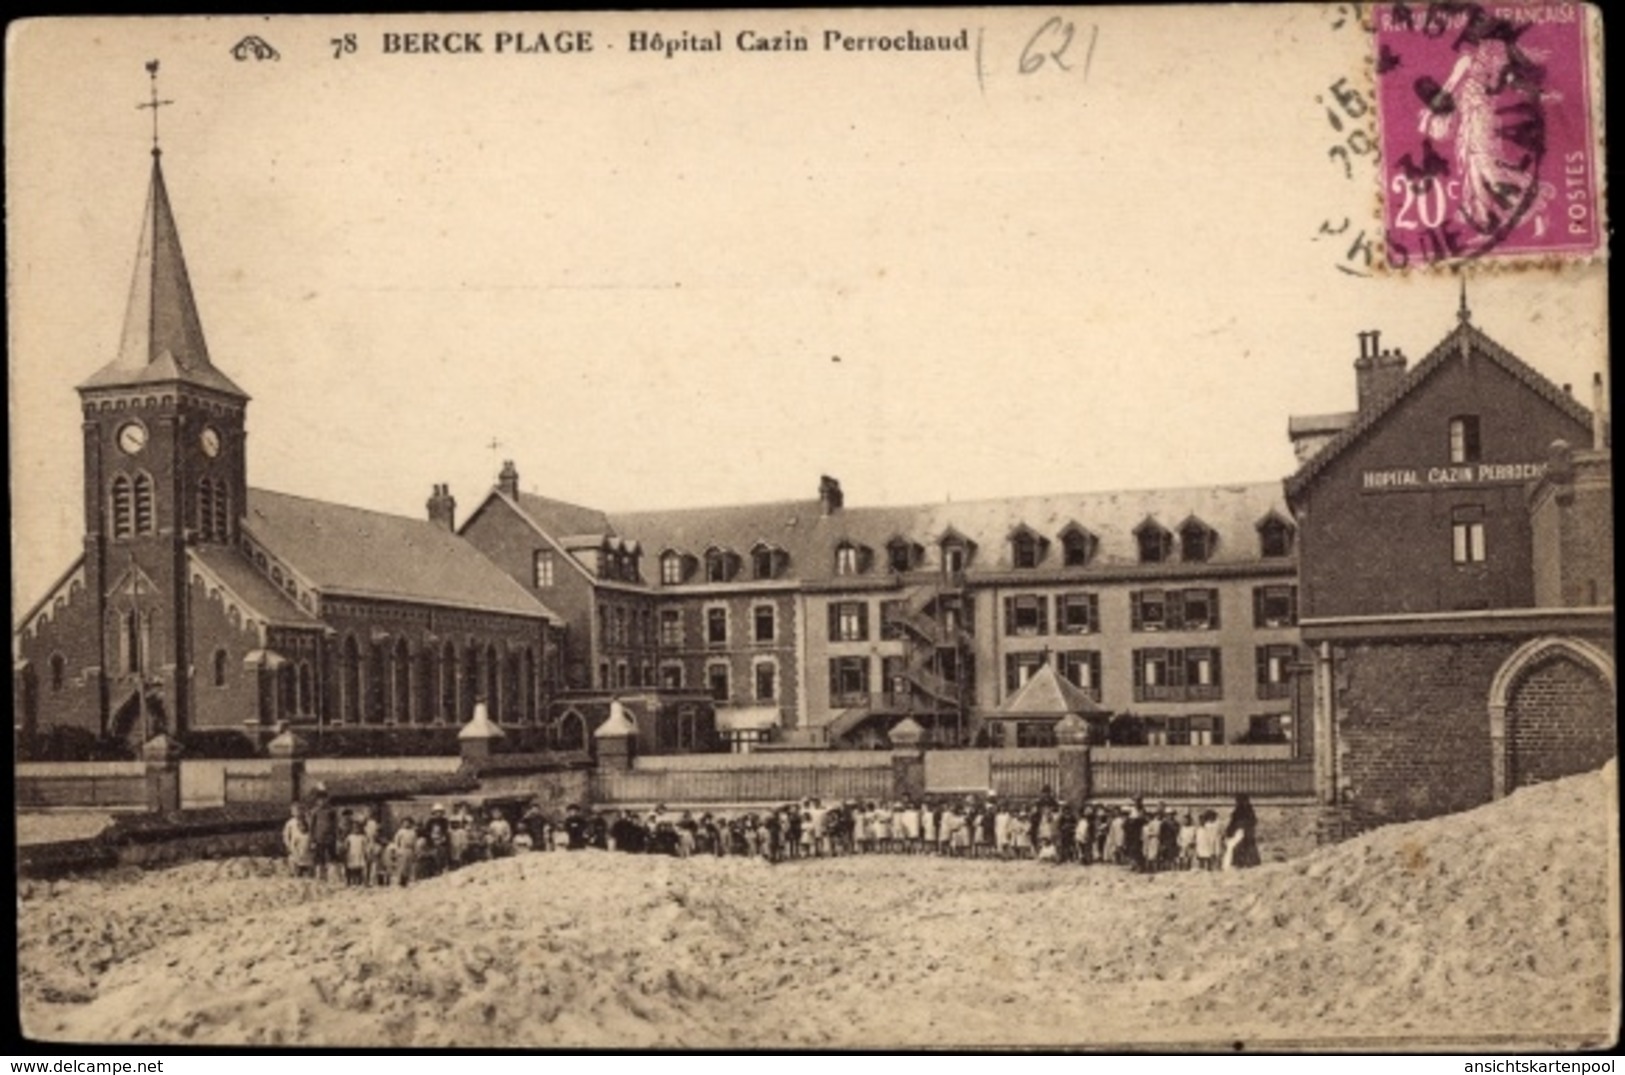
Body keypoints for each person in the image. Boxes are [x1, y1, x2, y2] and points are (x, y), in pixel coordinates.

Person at [1224, 794, 1261, 869]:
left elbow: (1234, 822)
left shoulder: (1240, 810)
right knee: (1247, 846)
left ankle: (1242, 862)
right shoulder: (1248, 810)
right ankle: (1249, 862)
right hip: (1247, 831)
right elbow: (1253, 821)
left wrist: (1230, 830)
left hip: (1242, 831)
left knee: (1242, 847)